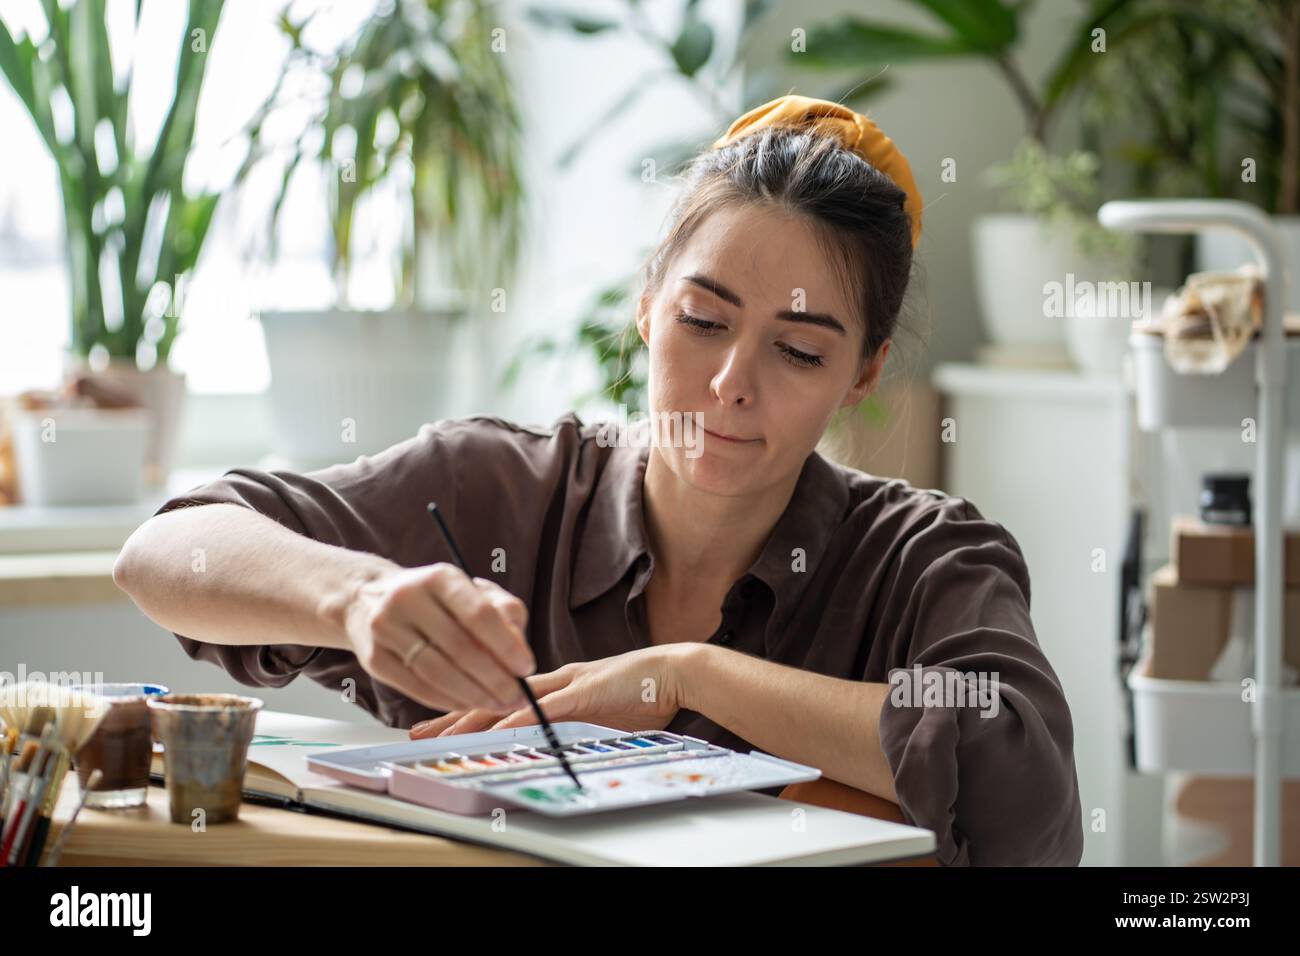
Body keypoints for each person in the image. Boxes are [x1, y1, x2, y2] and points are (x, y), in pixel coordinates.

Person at [114, 95, 1083, 866]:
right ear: (647, 306)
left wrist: (684, 675)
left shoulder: (918, 557)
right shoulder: (496, 486)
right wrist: (358, 595)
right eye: (703, 320)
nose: (728, 384)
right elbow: (165, 550)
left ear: (863, 372)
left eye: (794, 349)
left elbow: (1018, 783)